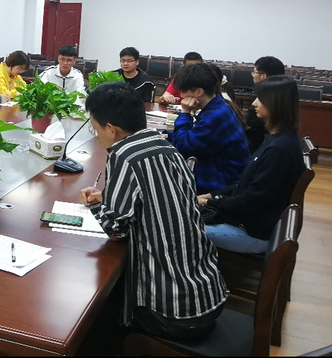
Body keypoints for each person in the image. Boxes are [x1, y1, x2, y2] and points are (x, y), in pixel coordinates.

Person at [79, 82, 226, 340]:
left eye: (95, 128)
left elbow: (116, 231)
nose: (97, 134)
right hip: (209, 294)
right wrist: (111, 196)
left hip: (174, 314)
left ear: (111, 129)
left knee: (98, 315)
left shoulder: (123, 155)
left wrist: (95, 205)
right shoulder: (166, 146)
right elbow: (158, 195)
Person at [197, 75, 304, 254]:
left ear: (276, 103)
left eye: (260, 99)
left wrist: (211, 202)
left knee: (177, 228)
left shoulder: (279, 150)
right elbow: (244, 184)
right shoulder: (276, 139)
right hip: (246, 223)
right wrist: (211, 195)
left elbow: (251, 201)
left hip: (252, 233)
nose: (254, 103)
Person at [170, 63, 250, 194]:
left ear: (199, 92)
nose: (181, 96)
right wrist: (167, 134)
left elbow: (183, 147)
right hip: (218, 174)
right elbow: (195, 136)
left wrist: (185, 113)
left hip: (219, 184)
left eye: (183, 91)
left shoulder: (214, 116)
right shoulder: (218, 106)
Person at [245, 56, 286, 153]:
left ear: (263, 76)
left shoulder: (266, 100)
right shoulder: (282, 96)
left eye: (254, 72)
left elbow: (250, 126)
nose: (252, 75)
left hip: (255, 148)